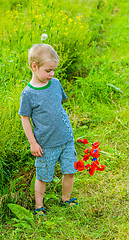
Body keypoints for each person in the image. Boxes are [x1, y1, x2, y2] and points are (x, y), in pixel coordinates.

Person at [18, 44, 78, 215]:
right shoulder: (28, 94)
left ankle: (66, 199)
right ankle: (39, 207)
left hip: (66, 139)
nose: (52, 74)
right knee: (42, 176)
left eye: (54, 70)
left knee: (70, 170)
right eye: (48, 70)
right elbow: (25, 119)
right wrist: (33, 143)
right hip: (46, 145)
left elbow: (58, 107)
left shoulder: (55, 84)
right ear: (34, 67)